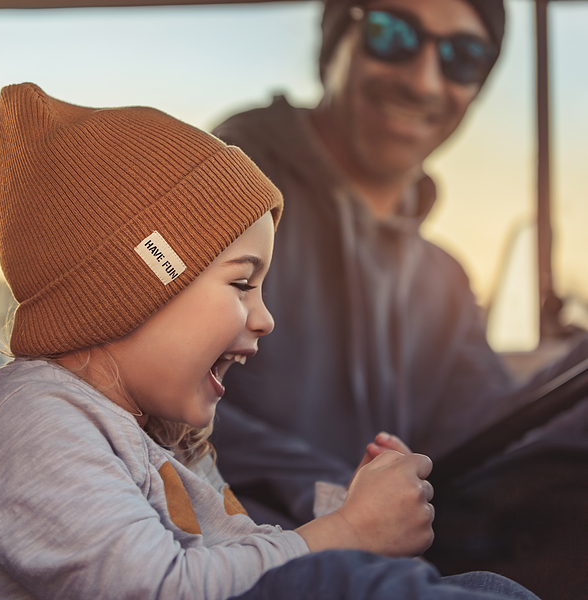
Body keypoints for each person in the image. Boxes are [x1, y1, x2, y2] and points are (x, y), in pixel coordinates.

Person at [0, 82, 539, 599]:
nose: (265, 318)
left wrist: (345, 508)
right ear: (149, 281)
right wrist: (348, 533)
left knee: (482, 585)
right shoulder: (35, 426)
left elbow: (241, 549)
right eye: (242, 283)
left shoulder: (159, 435)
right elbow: (164, 588)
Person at [209, 0, 588, 534]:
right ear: (335, 42)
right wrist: (342, 503)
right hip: (238, 545)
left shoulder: (444, 283)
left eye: (463, 55)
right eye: (393, 34)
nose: (425, 81)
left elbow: (487, 439)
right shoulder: (215, 198)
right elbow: (137, 398)